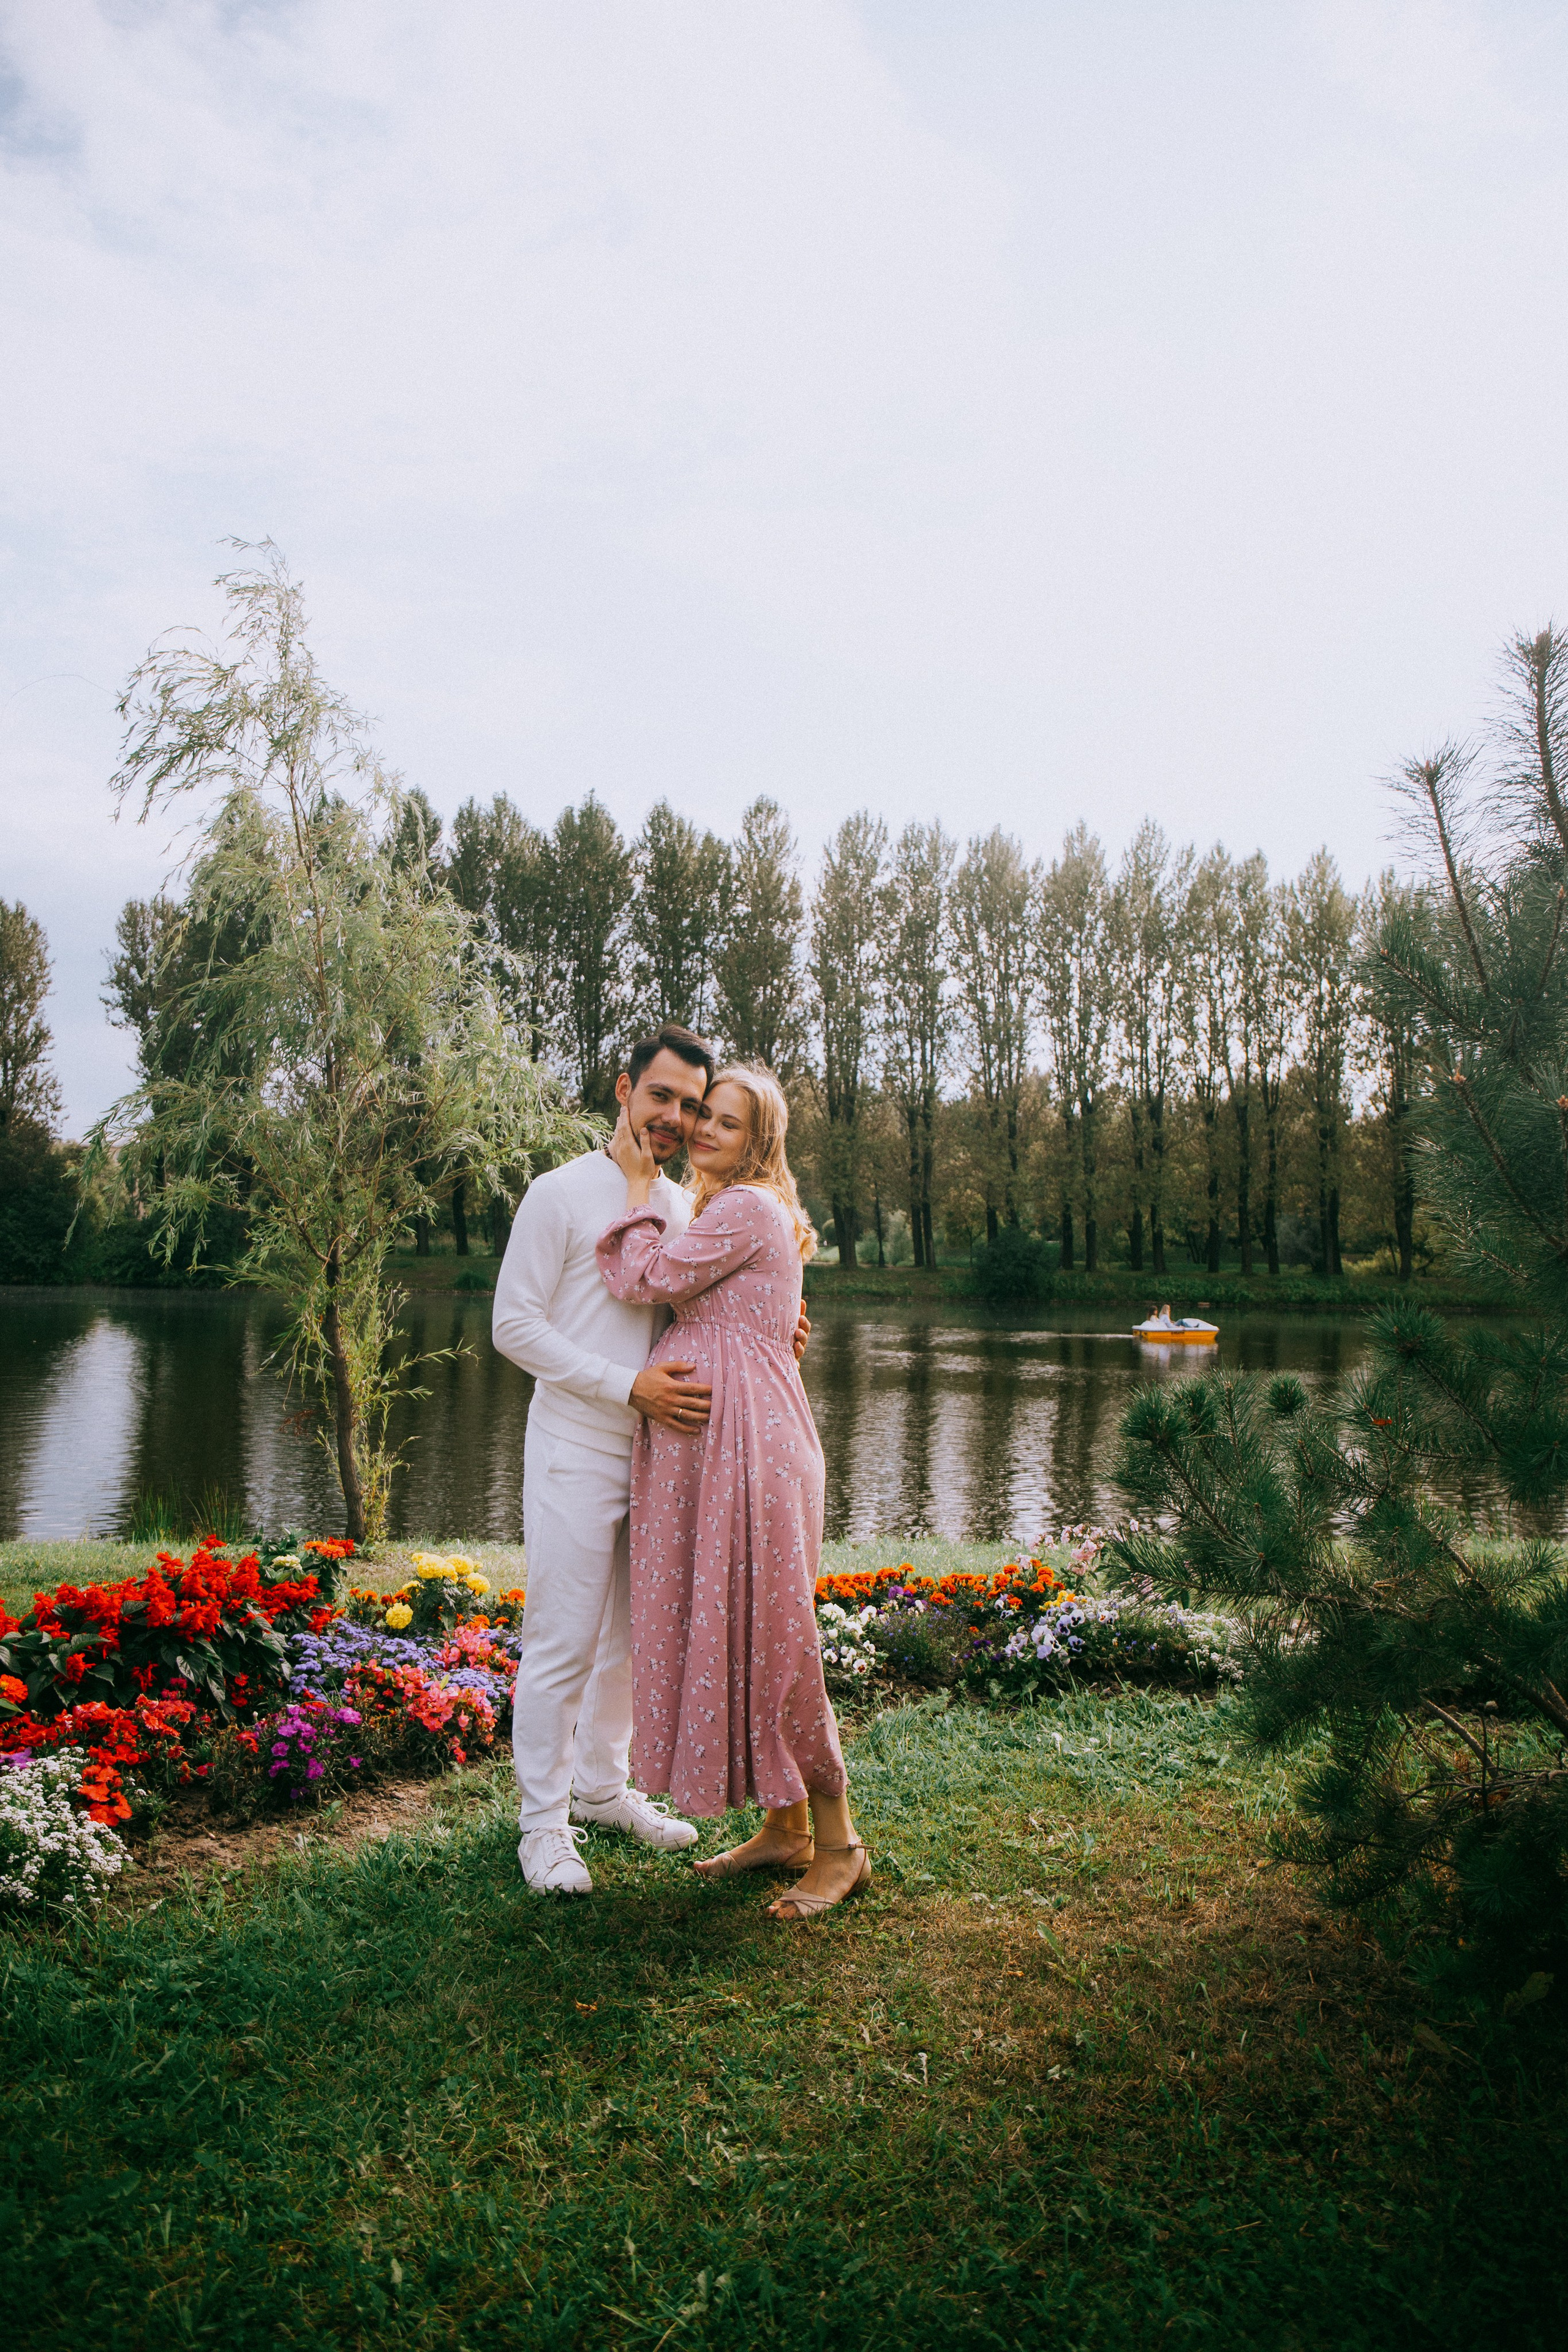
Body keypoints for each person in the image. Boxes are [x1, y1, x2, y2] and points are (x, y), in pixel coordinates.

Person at [596, 1061, 869, 1924]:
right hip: (724, 1449)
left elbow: (642, 1278)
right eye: (703, 1114)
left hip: (753, 1454)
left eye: (726, 1122)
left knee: (780, 1639)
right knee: (746, 1625)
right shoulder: (726, 1208)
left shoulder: (745, 1207)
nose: (704, 1129)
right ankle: (784, 1830)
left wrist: (635, 1185)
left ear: (760, 1140)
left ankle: (840, 1845)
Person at [492, 1024, 719, 1896]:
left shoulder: (683, 1207)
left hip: (657, 1458)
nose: (674, 1118)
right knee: (562, 1642)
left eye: (690, 1106)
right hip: (575, 1449)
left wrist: (774, 1332)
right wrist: (625, 1387)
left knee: (628, 1639)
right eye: (660, 1096)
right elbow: (514, 1326)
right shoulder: (558, 1193)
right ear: (623, 1089)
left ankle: (600, 1790)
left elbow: (693, 1320)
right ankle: (542, 1828)